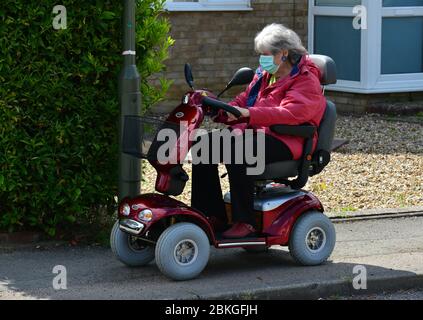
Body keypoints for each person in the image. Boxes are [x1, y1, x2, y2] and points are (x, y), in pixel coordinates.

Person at [191, 23, 327, 239]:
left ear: (283, 54)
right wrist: (223, 111)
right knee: (203, 146)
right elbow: (244, 101)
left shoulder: (306, 80)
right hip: (259, 134)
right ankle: (210, 215)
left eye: (265, 54)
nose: (261, 60)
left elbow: (290, 114)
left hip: (288, 139)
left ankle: (245, 222)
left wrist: (248, 114)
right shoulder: (265, 74)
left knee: (239, 150)